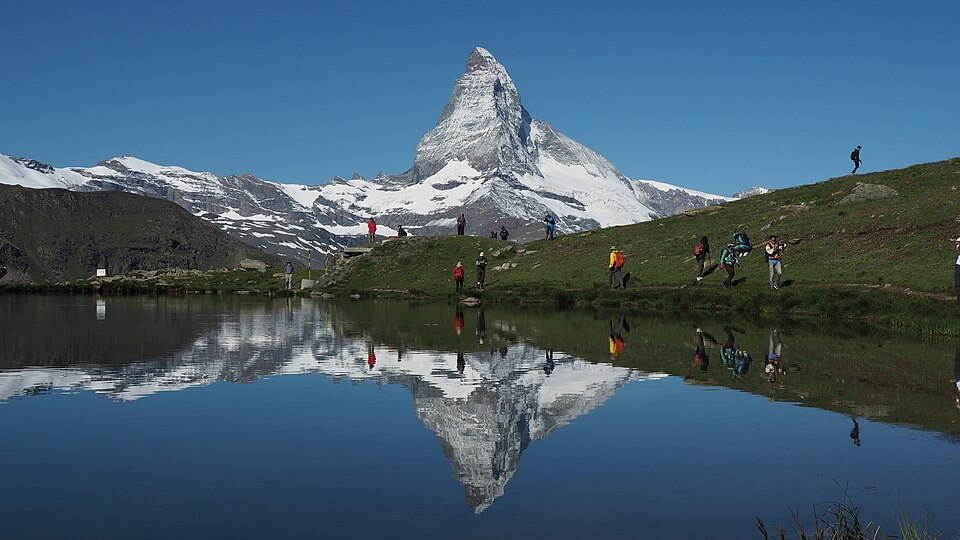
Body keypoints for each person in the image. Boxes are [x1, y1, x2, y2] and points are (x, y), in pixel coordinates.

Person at [953, 236, 960, 304]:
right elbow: (955, 250)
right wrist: (956, 245)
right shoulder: (959, 239)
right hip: (959, 264)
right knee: (958, 284)